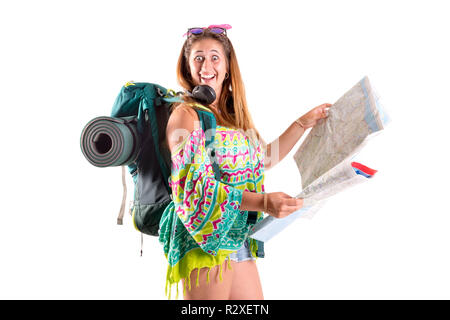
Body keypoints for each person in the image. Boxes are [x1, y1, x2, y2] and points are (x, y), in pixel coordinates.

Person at [159, 24, 331, 300]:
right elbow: (194, 189)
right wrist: (263, 202)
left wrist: (303, 123)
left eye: (215, 57)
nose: (206, 66)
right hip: (203, 240)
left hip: (238, 237)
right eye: (198, 58)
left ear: (227, 67)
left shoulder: (233, 119)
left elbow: (263, 159)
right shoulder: (185, 116)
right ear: (188, 67)